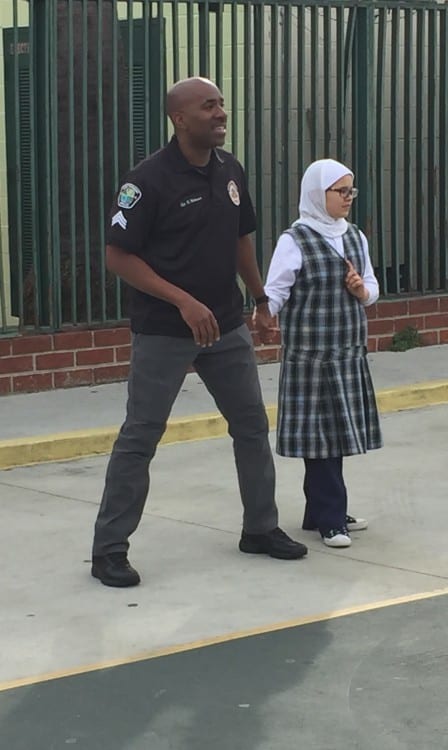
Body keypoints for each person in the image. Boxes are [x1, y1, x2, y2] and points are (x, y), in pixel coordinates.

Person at [91, 77, 307, 587]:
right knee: (141, 435)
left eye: (221, 104)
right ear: (180, 118)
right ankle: (109, 551)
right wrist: (183, 301)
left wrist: (260, 299)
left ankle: (260, 528)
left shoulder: (230, 169)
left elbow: (240, 239)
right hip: (164, 330)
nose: (220, 113)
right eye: (209, 106)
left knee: (250, 425)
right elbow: (118, 256)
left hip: (226, 323)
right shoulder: (147, 181)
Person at [263, 159, 383, 548]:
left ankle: (319, 513)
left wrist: (361, 291)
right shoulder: (295, 240)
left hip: (347, 354)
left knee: (335, 436)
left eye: (351, 191)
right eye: (341, 191)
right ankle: (331, 520)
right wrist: (263, 317)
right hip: (311, 360)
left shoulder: (355, 237)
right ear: (318, 194)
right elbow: (275, 291)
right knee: (320, 440)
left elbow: (372, 287)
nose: (348, 198)